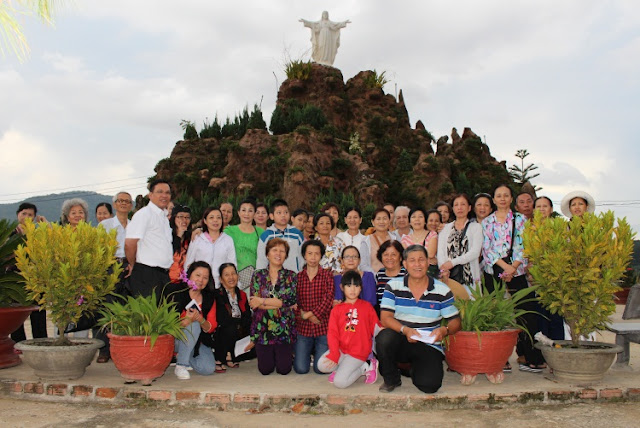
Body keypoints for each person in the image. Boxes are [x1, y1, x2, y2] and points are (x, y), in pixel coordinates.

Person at [376, 245, 461, 393]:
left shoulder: (442, 290)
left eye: (421, 260)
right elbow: (385, 318)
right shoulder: (393, 286)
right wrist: (405, 330)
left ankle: (412, 369)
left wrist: (444, 330)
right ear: (405, 264)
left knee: (429, 386)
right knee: (384, 338)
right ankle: (392, 379)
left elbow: (455, 322)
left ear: (428, 262)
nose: (417, 264)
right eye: (412, 260)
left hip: (429, 343)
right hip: (402, 337)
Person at [481, 184, 544, 372]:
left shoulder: (520, 219)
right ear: (494, 199)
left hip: (517, 271)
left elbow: (523, 245)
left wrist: (513, 267)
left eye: (506, 195)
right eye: (498, 195)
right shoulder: (487, 222)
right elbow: (487, 248)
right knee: (493, 313)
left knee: (527, 313)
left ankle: (529, 356)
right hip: (494, 270)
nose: (502, 198)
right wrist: (504, 267)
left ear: (511, 199)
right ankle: (499, 358)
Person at [317, 270, 382, 388]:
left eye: (356, 285)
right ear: (342, 287)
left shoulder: (367, 307)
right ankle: (344, 368)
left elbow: (376, 328)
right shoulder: (336, 309)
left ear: (361, 288)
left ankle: (365, 366)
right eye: (348, 285)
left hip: (358, 353)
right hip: (342, 351)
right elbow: (332, 333)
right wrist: (334, 353)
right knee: (321, 366)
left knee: (339, 383)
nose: (352, 289)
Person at [248, 238, 297, 375]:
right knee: (265, 370)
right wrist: (278, 303)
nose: (278, 253)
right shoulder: (258, 275)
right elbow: (254, 304)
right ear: (267, 254)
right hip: (263, 328)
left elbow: (289, 300)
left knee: (284, 370)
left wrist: (262, 300)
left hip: (284, 329)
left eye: (282, 251)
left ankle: (286, 356)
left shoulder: (291, 276)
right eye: (274, 250)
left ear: (286, 256)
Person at [94, 191, 133, 363]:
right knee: (106, 307)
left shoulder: (135, 225)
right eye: (120, 201)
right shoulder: (105, 225)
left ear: (131, 206)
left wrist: (132, 263)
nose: (124, 203)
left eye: (127, 201)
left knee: (126, 307)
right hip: (110, 266)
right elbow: (98, 250)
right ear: (115, 204)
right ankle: (103, 349)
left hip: (131, 266)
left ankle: (123, 348)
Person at [167, 261, 217, 380]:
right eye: (198, 275)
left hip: (198, 341)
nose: (201, 280)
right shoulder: (176, 292)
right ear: (189, 275)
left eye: (205, 277)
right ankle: (181, 365)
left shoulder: (209, 297)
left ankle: (185, 355)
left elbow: (211, 327)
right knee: (193, 325)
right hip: (174, 339)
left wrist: (200, 319)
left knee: (207, 368)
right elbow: (166, 325)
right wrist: (186, 321)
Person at [125, 179, 173, 297]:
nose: (164, 195)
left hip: (163, 275)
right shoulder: (144, 214)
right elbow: (129, 243)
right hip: (146, 274)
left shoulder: (164, 217)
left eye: (167, 193)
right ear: (150, 195)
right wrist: (133, 264)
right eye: (160, 192)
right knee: (146, 314)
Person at [294, 240, 334, 374]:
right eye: (310, 253)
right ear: (304, 255)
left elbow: (328, 299)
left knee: (320, 369)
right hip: (303, 327)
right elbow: (294, 303)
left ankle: (318, 356)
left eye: (316, 254)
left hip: (322, 326)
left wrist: (310, 314)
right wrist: (305, 316)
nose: (313, 257)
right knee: (300, 369)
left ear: (321, 256)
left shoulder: (327, 275)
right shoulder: (297, 277)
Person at [10, 203, 48, 345]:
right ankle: (18, 343)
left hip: (36, 278)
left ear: (34, 217)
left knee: (38, 312)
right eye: (23, 213)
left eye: (30, 215)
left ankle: (41, 341)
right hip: (15, 279)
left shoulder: (38, 234)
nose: (26, 217)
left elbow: (50, 242)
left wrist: (45, 225)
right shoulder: (9, 233)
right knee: (16, 313)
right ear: (18, 215)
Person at [437, 194, 483, 296]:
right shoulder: (445, 228)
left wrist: (453, 263)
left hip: (469, 277)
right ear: (453, 208)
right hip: (449, 276)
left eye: (463, 204)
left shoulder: (476, 227)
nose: (459, 207)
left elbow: (475, 252)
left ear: (469, 208)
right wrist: (444, 269)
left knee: (470, 307)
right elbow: (440, 252)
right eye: (456, 205)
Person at [212, 263, 252, 372]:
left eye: (233, 273)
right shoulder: (217, 295)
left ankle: (232, 354)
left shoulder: (242, 295)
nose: (231, 277)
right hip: (223, 332)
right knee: (229, 327)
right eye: (226, 275)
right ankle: (221, 357)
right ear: (220, 279)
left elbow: (247, 316)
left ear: (237, 276)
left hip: (239, 330)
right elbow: (222, 319)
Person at [185, 207, 236, 288]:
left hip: (220, 285)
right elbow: (188, 263)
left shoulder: (228, 240)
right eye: (211, 217)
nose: (215, 220)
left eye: (218, 217)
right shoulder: (197, 238)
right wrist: (187, 283)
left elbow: (232, 264)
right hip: (200, 285)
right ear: (205, 221)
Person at [224, 199, 264, 293]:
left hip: (254, 279)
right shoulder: (230, 231)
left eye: (250, 210)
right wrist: (199, 230)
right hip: (233, 277)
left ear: (254, 214)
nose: (247, 213)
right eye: (243, 210)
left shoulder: (261, 232)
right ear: (238, 213)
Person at [256, 199, 304, 273]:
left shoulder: (297, 234)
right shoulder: (266, 235)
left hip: (294, 277)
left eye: (286, 212)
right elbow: (261, 259)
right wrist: (260, 277)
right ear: (272, 216)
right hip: (272, 278)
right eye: (279, 213)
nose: (283, 215)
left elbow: (302, 257)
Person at [401, 208, 438, 278]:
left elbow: (431, 254)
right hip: (411, 273)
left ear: (425, 221)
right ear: (410, 222)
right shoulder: (405, 239)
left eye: (420, 216)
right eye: (413, 217)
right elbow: (408, 257)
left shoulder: (432, 234)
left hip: (429, 273)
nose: (417, 219)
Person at [374, 240, 406, 315]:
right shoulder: (380, 274)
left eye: (393, 254)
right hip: (383, 317)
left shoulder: (407, 274)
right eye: (386, 254)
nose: (389, 258)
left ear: (401, 257)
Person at [360, 208, 395, 273]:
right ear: (373, 222)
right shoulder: (366, 241)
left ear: (389, 221)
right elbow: (363, 265)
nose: (381, 222)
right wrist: (377, 276)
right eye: (378, 219)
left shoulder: (395, 238)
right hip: (374, 279)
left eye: (384, 218)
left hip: (394, 279)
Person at [168, 204, 193, 283]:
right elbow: (169, 254)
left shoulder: (191, 239)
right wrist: (179, 235)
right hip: (167, 281)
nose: (184, 220)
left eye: (187, 217)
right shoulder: (167, 236)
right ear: (174, 218)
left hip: (184, 282)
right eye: (180, 216)